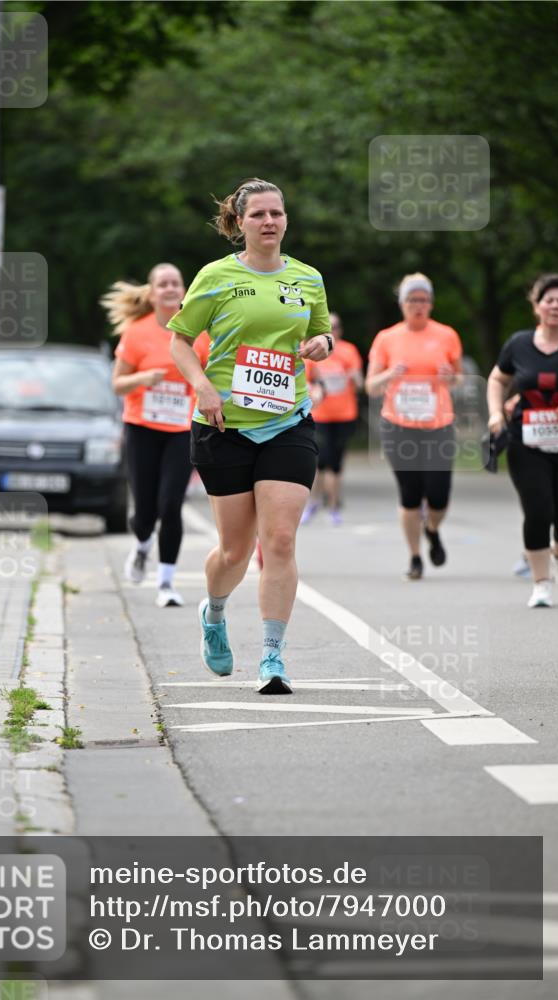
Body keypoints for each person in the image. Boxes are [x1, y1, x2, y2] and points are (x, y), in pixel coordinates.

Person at [169, 177, 332, 694]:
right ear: (239, 222)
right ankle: (214, 614)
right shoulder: (215, 277)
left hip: (287, 422)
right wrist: (202, 388)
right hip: (223, 426)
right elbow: (179, 342)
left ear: (287, 219)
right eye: (258, 214)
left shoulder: (307, 278)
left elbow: (321, 332)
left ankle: (272, 657)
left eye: (276, 214)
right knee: (234, 552)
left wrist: (323, 344)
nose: (269, 222)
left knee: (279, 540)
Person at [102, 263, 203, 608]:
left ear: (184, 290)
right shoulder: (136, 333)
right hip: (142, 428)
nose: (171, 288)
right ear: (153, 293)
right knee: (144, 512)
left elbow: (211, 376)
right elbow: (117, 384)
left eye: (176, 282)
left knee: (170, 504)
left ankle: (166, 583)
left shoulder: (199, 332)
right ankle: (142, 544)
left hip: (182, 429)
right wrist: (143, 380)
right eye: (163, 284)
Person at [365, 273, 463, 580]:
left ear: (431, 304)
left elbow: (459, 379)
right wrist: (390, 374)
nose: (418, 305)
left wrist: (451, 377)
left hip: (438, 424)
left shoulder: (447, 335)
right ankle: (415, 556)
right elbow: (370, 386)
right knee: (409, 493)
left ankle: (432, 529)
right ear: (402, 304)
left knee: (439, 494)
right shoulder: (386, 338)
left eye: (423, 300)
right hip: (398, 424)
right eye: (412, 299)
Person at [487, 273, 558, 608]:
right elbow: (497, 379)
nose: (556, 306)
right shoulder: (518, 343)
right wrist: (494, 413)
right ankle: (541, 583)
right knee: (538, 508)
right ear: (537, 305)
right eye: (550, 300)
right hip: (525, 441)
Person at [301, 312, 363, 525]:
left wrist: (354, 377)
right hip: (320, 415)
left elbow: (360, 382)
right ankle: (314, 503)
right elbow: (304, 382)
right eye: (329, 326)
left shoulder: (348, 351)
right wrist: (316, 390)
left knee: (336, 462)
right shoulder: (313, 350)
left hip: (344, 414)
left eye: (336, 326)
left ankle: (333, 506)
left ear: (341, 330)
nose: (333, 330)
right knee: (319, 461)